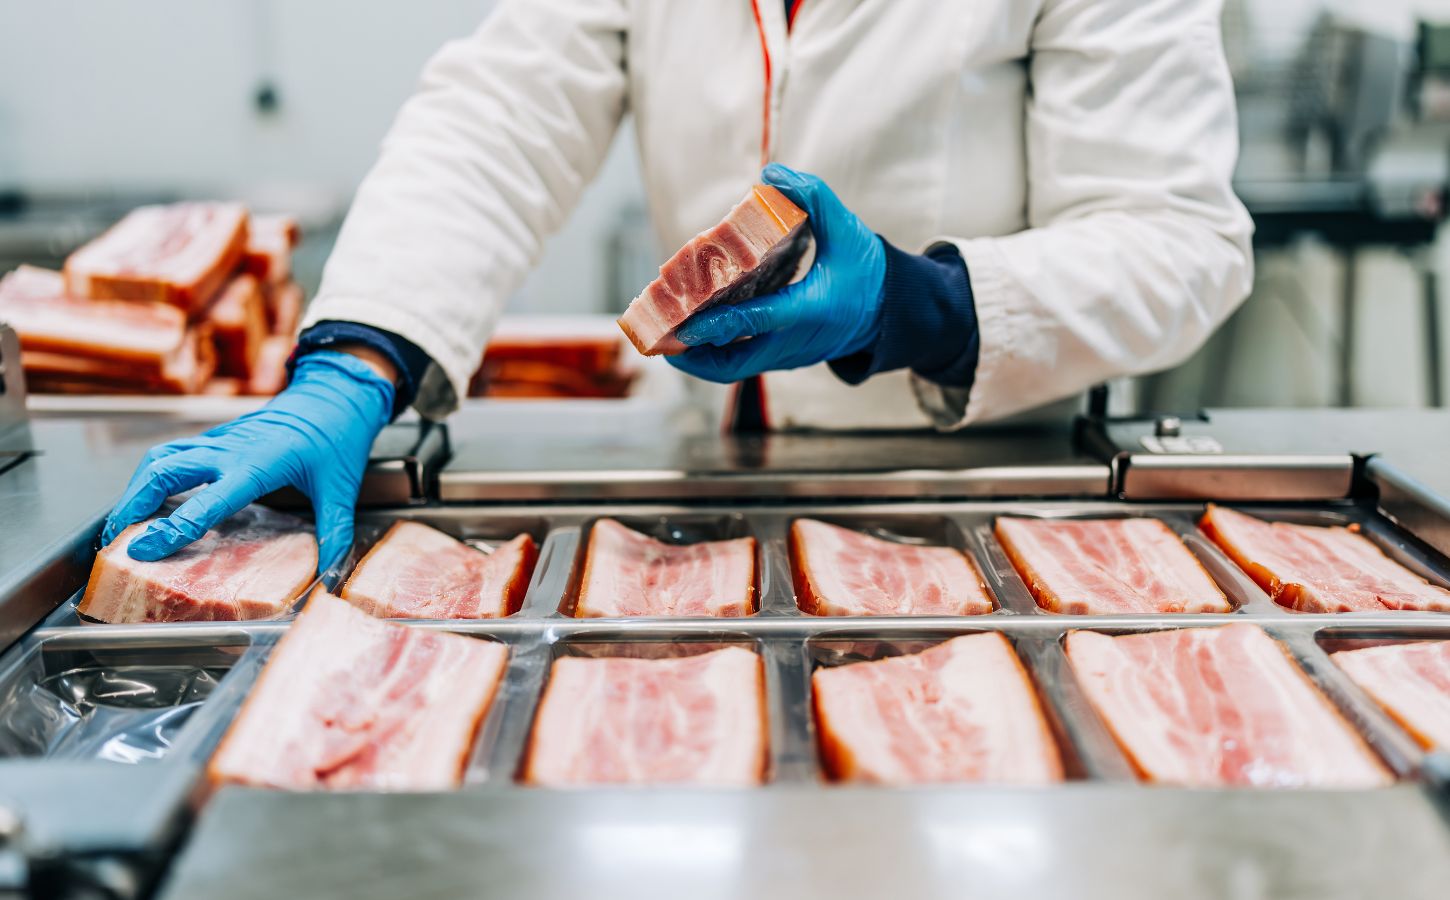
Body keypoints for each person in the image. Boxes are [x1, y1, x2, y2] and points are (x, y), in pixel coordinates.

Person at [102, 0, 1252, 571]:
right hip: (703, 474)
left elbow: (1177, 236)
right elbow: (501, 117)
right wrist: (356, 361)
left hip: (986, 485)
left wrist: (914, 306)